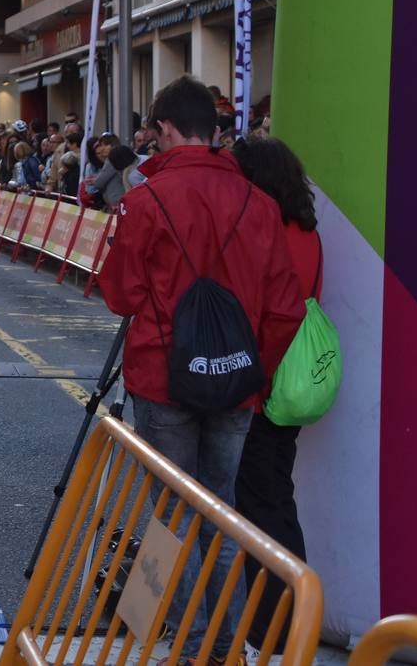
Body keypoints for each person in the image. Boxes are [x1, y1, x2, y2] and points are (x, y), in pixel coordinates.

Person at [97, 76, 305, 664]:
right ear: (211, 131)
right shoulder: (259, 204)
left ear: (163, 129)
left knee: (175, 515)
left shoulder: (146, 200)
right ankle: (226, 648)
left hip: (163, 378)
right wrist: (254, 372)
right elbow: (286, 307)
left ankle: (190, 649)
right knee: (224, 512)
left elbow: (121, 294)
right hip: (237, 381)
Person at [231, 136, 322, 652]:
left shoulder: (266, 229)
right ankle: (288, 617)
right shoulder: (307, 229)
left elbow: (268, 308)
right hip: (293, 379)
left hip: (266, 377)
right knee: (275, 496)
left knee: (258, 502)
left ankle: (274, 623)